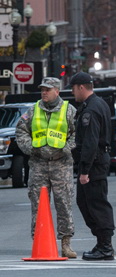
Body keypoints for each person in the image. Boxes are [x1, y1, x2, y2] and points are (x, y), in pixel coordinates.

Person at [15, 77, 77, 258]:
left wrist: (65, 149)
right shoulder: (33, 111)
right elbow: (21, 131)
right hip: (38, 164)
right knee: (38, 205)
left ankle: (66, 243)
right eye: (42, 89)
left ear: (57, 91)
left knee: (64, 204)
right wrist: (31, 148)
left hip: (61, 164)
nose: (44, 93)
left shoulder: (69, 111)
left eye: (48, 90)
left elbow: (76, 134)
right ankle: (39, 241)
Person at [70, 72, 115, 261]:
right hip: (96, 160)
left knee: (96, 204)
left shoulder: (90, 110)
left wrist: (85, 171)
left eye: (73, 89)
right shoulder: (99, 103)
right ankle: (102, 243)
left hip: (93, 163)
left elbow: (90, 142)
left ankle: (105, 246)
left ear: (81, 87)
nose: (73, 94)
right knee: (85, 202)